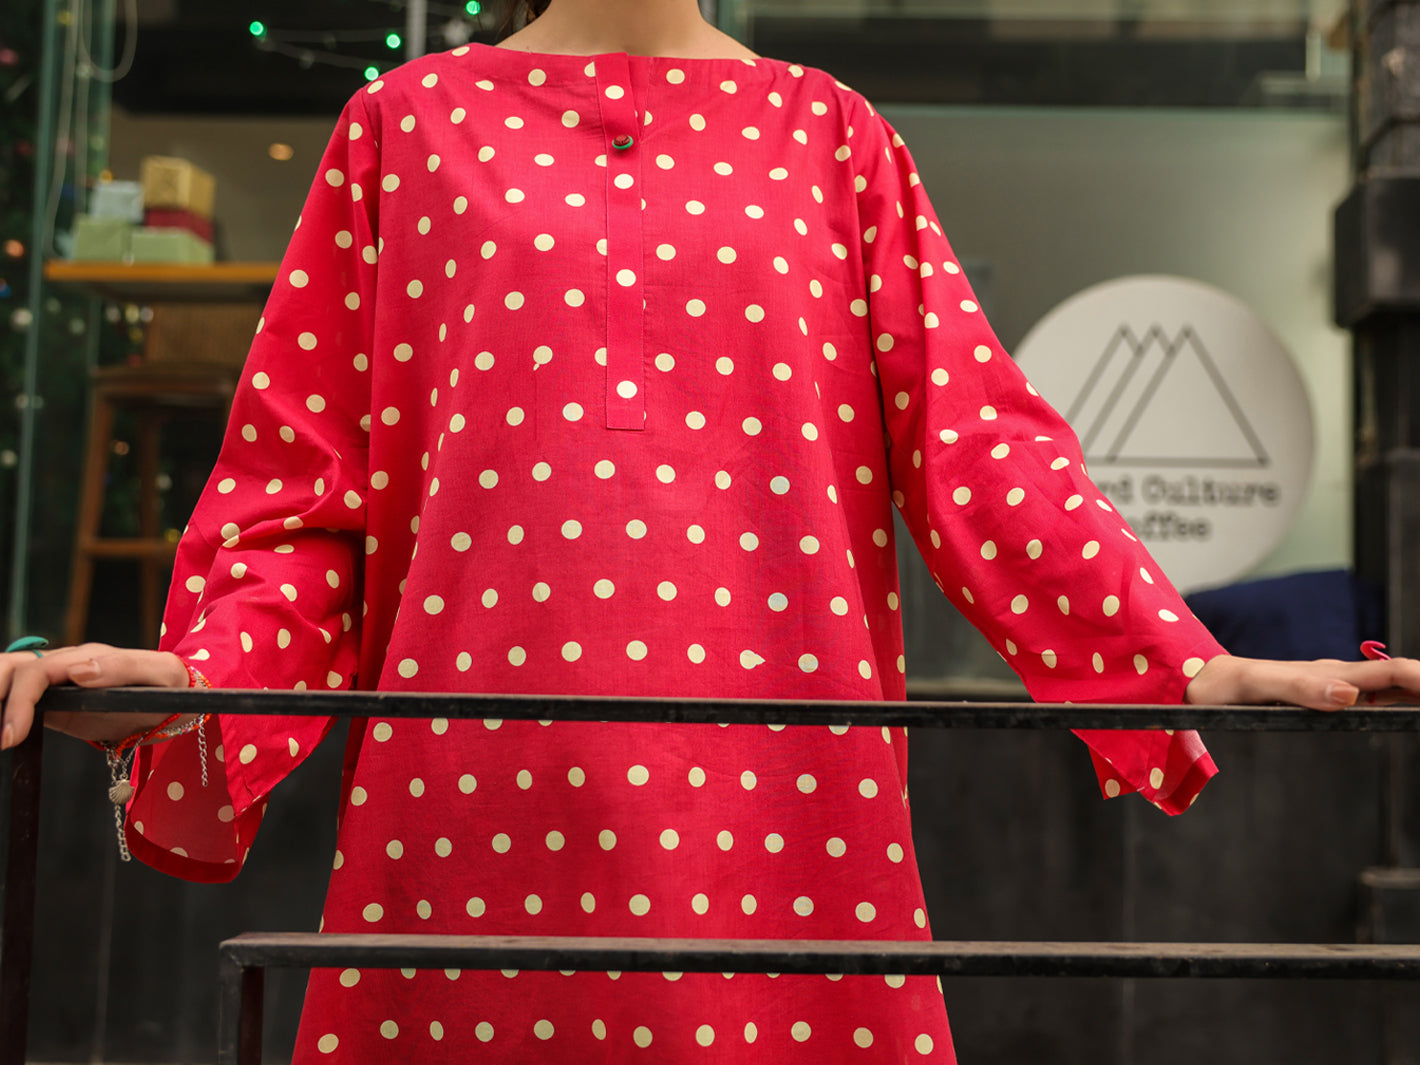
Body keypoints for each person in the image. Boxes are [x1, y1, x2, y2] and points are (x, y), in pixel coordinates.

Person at [3, 1, 1419, 1061]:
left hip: (784, 828)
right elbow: (307, 496)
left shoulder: (835, 136)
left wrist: (1178, 662)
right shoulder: (404, 128)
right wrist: (200, 678)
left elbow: (979, 449)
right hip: (474, 824)